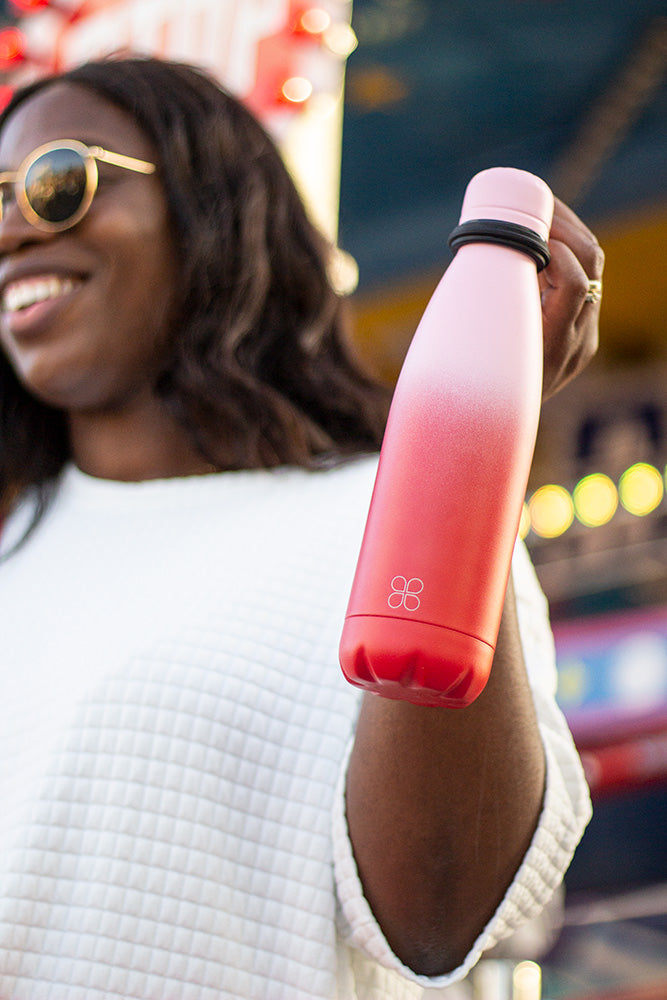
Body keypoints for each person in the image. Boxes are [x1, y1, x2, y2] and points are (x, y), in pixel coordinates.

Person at [0, 56, 603, 999]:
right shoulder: (12, 549)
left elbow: (438, 918)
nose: (10, 231)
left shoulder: (376, 511)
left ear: (211, 209)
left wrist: (466, 454)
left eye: (54, 185)